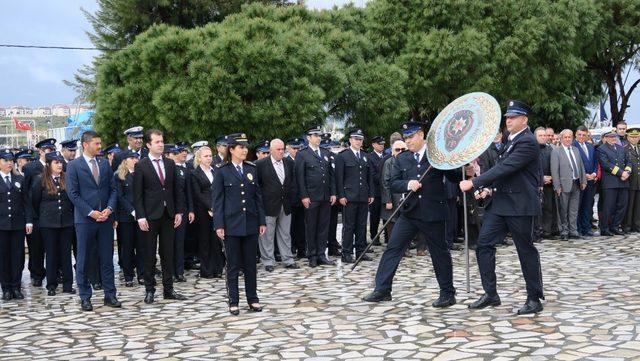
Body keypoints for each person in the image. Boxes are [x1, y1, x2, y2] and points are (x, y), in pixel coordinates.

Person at [362, 121, 461, 308]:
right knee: (393, 248)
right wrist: (408, 184)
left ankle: (447, 293)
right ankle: (382, 289)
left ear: (421, 135)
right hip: (410, 212)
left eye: (411, 137)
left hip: (433, 213)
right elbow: (393, 183)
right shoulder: (402, 159)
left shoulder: (436, 156)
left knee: (439, 253)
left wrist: (465, 170)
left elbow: (453, 177)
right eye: (405, 138)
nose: (408, 141)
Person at [459, 100, 544, 315]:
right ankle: (491, 293)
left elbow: (507, 167)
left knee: (525, 251)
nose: (508, 120)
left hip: (520, 206)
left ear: (524, 119)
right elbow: (503, 172)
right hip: (500, 205)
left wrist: (475, 182)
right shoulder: (510, 140)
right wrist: (488, 189)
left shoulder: (527, 142)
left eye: (513, 117)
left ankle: (534, 298)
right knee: (484, 245)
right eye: (507, 117)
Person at [66, 131, 120, 311]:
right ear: (85, 144)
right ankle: (85, 297)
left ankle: (110, 295)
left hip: (105, 219)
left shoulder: (104, 164)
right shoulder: (74, 166)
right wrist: (91, 212)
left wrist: (109, 209)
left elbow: (113, 190)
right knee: (83, 258)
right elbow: (73, 193)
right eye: (96, 143)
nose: (99, 146)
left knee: (107, 258)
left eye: (100, 143)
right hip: (85, 220)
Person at [212, 133, 266, 315]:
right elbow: (218, 201)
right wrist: (219, 225)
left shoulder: (251, 168)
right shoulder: (221, 171)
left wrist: (261, 220)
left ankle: (253, 299)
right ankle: (233, 300)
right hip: (231, 225)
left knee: (251, 264)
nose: (245, 150)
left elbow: (257, 197)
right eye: (241, 147)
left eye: (246, 147)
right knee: (233, 265)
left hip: (250, 223)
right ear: (231, 149)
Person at [134, 129, 187, 304]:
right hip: (150, 216)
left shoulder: (170, 163)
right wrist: (140, 216)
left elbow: (176, 190)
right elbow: (138, 194)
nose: (161, 144)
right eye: (157, 142)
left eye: (162, 141)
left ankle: (168, 289)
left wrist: (179, 211)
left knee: (167, 253)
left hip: (168, 214)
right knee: (149, 254)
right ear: (148, 144)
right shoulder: (141, 165)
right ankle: (150, 290)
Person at [31, 151, 75, 296]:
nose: (60, 165)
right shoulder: (40, 180)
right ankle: (51, 285)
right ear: (49, 165)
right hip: (48, 223)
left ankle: (68, 285)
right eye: (56, 162)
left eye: (61, 162)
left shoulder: (67, 178)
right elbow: (35, 202)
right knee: (51, 254)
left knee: (66, 254)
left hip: (66, 222)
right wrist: (43, 217)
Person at [295, 125, 337, 268]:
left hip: (325, 196)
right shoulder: (303, 154)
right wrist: (304, 196)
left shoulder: (325, 152)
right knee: (311, 226)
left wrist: (333, 193)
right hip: (311, 197)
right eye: (315, 136)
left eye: (319, 136)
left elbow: (331, 175)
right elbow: (300, 178)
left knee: (323, 227)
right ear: (308, 138)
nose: (319, 138)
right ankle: (312, 255)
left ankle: (321, 254)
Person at [256, 139, 299, 271]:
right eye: (278, 149)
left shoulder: (288, 163)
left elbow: (292, 182)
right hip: (268, 205)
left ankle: (288, 259)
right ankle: (268, 261)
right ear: (271, 150)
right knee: (267, 235)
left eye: (283, 149)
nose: (281, 152)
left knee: (285, 233)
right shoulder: (260, 164)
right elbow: (257, 186)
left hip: (285, 204)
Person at [335, 128, 374, 263]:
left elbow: (369, 177)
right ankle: (346, 253)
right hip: (349, 196)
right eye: (356, 139)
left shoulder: (365, 155)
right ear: (350, 140)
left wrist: (371, 193)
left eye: (360, 139)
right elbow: (339, 178)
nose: (358, 141)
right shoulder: (343, 156)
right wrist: (341, 195)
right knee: (349, 226)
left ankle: (361, 251)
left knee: (361, 225)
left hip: (363, 196)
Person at [23, 138, 56, 287]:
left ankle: (54, 273)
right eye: (48, 150)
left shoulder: (56, 165)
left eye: (53, 150)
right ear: (41, 151)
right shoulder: (31, 168)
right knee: (36, 247)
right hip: (36, 214)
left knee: (52, 246)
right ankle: (37, 274)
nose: (51, 152)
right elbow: (26, 192)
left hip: (52, 213)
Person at [0, 149, 32, 301]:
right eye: (5, 160)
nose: (8, 163)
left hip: (18, 225)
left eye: (10, 161)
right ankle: (6, 288)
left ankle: (16, 287)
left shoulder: (19, 179)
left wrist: (29, 221)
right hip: (1, 226)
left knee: (17, 257)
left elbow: (26, 202)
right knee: (3, 257)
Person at [191, 145, 225, 278]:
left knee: (216, 240)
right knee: (204, 241)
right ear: (199, 158)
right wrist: (210, 207)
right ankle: (206, 270)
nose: (209, 158)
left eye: (210, 155)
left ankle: (218, 269)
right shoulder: (194, 173)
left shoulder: (216, 171)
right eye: (206, 156)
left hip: (217, 209)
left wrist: (217, 208)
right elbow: (198, 194)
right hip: (203, 211)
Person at [113, 150, 145, 287]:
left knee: (142, 246)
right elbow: (119, 196)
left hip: (141, 216)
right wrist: (132, 211)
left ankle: (143, 274)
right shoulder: (119, 176)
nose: (135, 160)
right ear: (125, 160)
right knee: (127, 247)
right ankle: (128, 275)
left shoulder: (141, 174)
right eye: (132, 158)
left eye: (136, 157)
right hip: (125, 217)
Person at [550, 129, 587, 241]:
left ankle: (573, 230)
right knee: (563, 209)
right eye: (565, 137)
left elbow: (581, 166)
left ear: (572, 138)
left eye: (569, 137)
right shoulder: (556, 151)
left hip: (576, 183)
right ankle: (564, 231)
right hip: (563, 185)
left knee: (573, 209)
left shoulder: (575, 150)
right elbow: (554, 170)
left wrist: (583, 180)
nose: (567, 139)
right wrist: (557, 186)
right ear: (561, 139)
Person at [166, 142, 195, 282]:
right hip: (165, 211)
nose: (177, 156)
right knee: (167, 243)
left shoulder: (182, 170)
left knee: (179, 242)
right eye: (174, 154)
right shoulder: (162, 170)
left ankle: (179, 271)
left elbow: (187, 192)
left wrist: (190, 209)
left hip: (181, 210)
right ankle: (169, 271)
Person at [597, 128, 631, 236]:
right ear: (605, 138)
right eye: (610, 137)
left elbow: (628, 161)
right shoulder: (601, 149)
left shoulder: (621, 148)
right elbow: (606, 165)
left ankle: (615, 227)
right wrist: (622, 173)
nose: (613, 138)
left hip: (623, 182)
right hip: (610, 183)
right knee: (608, 207)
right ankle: (605, 228)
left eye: (614, 136)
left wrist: (627, 171)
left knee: (622, 205)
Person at [380, 140, 407, 255]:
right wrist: (388, 200)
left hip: (405, 198)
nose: (400, 152)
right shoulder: (388, 162)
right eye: (397, 150)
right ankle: (394, 249)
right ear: (392, 151)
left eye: (403, 149)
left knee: (404, 225)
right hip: (393, 198)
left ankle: (404, 249)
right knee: (392, 224)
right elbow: (385, 182)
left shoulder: (408, 162)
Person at [573, 126, 598, 237]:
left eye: (584, 135)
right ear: (576, 134)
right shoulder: (573, 146)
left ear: (587, 135)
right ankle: (578, 228)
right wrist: (584, 175)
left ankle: (586, 228)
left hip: (591, 181)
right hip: (579, 181)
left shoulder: (590, 146)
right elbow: (573, 164)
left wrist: (594, 173)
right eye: (579, 134)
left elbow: (595, 162)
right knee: (578, 206)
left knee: (588, 205)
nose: (581, 137)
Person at [535, 127, 558, 240]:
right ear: (535, 137)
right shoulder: (532, 149)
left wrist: (552, 177)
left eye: (545, 135)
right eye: (541, 136)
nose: (544, 137)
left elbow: (555, 165)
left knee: (549, 208)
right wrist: (541, 178)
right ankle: (537, 232)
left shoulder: (551, 149)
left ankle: (547, 231)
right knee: (538, 209)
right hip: (536, 184)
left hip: (549, 183)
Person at [286, 138, 306, 259]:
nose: (297, 150)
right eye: (294, 148)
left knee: (302, 226)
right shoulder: (286, 161)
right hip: (290, 200)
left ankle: (302, 249)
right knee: (290, 227)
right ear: (288, 148)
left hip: (302, 199)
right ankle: (292, 247)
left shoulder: (302, 160)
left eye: (299, 148)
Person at [368, 136, 385, 245]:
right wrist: (385, 178)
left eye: (383, 144)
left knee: (387, 216)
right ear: (374, 145)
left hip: (386, 191)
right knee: (375, 216)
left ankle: (388, 236)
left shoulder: (386, 156)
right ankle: (374, 237)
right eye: (379, 144)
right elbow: (372, 175)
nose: (382, 146)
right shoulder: (370, 157)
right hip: (376, 191)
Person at [623, 126, 640, 232]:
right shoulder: (624, 149)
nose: (634, 139)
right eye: (632, 137)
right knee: (629, 205)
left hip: (639, 181)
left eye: (637, 137)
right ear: (628, 137)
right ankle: (627, 226)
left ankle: (637, 225)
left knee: (638, 205)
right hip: (630, 181)